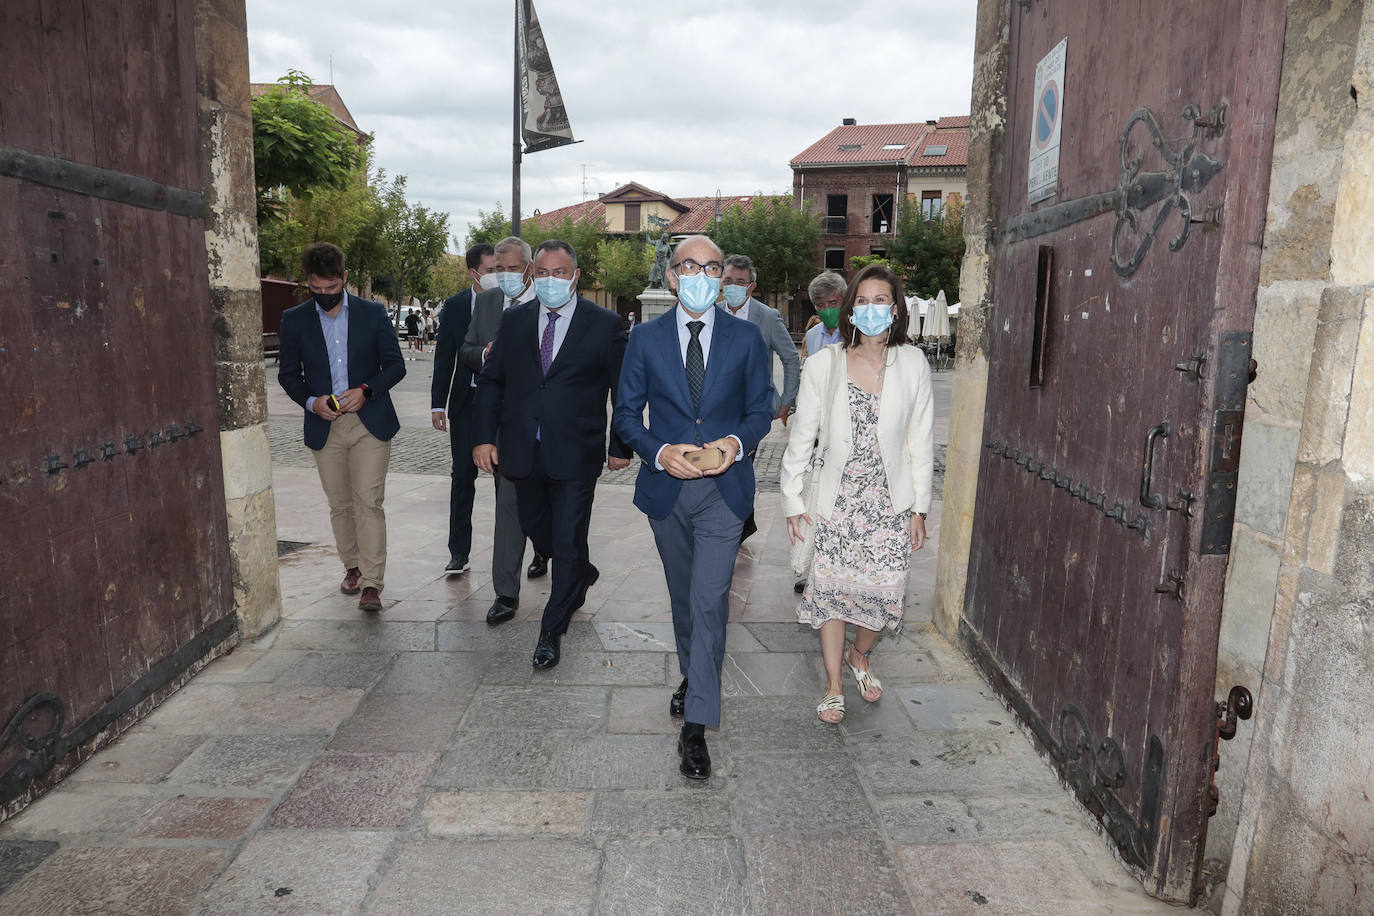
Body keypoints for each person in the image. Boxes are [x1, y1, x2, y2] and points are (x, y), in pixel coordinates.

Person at [613, 235, 773, 780]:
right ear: (673, 276)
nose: (703, 275)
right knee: (684, 601)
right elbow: (627, 415)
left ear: (723, 276)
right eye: (691, 266)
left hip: (724, 494)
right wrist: (657, 451)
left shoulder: (747, 338)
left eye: (712, 266)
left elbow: (761, 409)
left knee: (709, 602)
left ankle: (696, 727)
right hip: (669, 491)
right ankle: (692, 673)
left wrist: (736, 443)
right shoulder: (645, 338)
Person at [779, 263, 934, 724]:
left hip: (890, 504)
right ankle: (832, 684)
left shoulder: (913, 363)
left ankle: (859, 655)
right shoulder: (825, 363)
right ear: (850, 311)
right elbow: (801, 437)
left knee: (883, 598)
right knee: (831, 594)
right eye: (861, 301)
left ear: (895, 308)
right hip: (835, 501)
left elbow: (920, 442)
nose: (870, 309)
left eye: (880, 300)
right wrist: (792, 500)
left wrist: (919, 508)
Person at [473, 240, 632, 669]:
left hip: (575, 453)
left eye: (559, 272)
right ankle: (579, 570)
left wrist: (620, 445)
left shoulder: (605, 325)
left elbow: (623, 391)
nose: (550, 280)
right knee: (536, 528)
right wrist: (484, 438)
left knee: (566, 536)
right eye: (541, 272)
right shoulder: (516, 321)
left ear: (575, 276)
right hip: (521, 452)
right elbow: (492, 382)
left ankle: (551, 628)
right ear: (531, 276)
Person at [278, 242, 406, 613]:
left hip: (370, 422)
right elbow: (289, 375)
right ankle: (351, 566)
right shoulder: (295, 319)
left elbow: (395, 365)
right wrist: (311, 402)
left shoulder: (373, 313)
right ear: (309, 284)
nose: (324, 297)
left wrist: (367, 390)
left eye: (331, 290)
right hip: (324, 425)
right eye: (316, 291)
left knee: (369, 501)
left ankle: (371, 583)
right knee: (340, 504)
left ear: (344, 279)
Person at [462, 236, 548, 623]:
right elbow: (465, 350)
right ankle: (505, 593)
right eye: (498, 269)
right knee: (508, 506)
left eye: (513, 269)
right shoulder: (488, 302)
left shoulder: (550, 301)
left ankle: (560, 562)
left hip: (548, 424)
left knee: (554, 508)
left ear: (529, 268)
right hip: (505, 424)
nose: (505, 276)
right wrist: (484, 354)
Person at [718, 253, 801, 544]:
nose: (733, 286)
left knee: (740, 462)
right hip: (715, 408)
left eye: (740, 282)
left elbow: (790, 358)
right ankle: (736, 521)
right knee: (724, 463)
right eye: (728, 280)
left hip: (753, 410)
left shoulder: (767, 317)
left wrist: (787, 400)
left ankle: (738, 523)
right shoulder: (711, 313)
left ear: (752, 286)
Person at [431, 244, 500, 575]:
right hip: (466, 403)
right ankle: (458, 551)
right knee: (462, 478)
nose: (497, 277)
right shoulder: (456, 306)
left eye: (499, 270)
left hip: (504, 406)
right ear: (474, 273)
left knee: (512, 482)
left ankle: (533, 551)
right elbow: (445, 356)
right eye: (490, 271)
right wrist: (437, 404)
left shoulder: (511, 303)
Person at [803, 271, 847, 358]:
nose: (827, 310)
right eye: (820, 305)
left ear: (845, 301)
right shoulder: (812, 335)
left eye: (833, 303)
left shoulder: (857, 333)